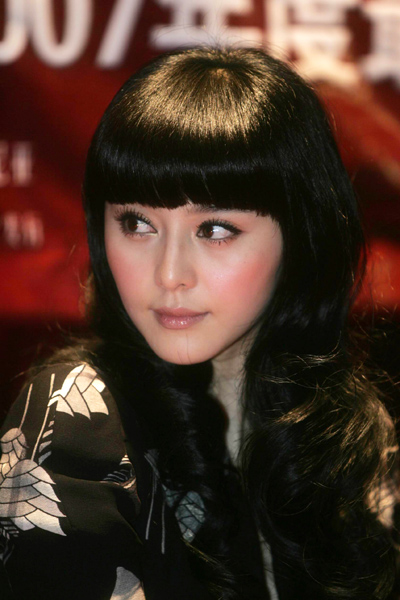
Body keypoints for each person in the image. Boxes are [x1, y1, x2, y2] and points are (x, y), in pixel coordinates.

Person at [0, 46, 398, 600]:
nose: (169, 275)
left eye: (214, 230)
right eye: (137, 224)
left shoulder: (349, 434)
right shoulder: (74, 418)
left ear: (301, 234)